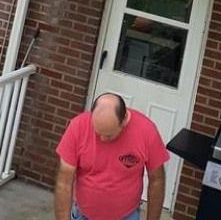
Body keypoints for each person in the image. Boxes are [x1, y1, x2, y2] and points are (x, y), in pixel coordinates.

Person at [54, 92, 169, 220]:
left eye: (108, 135)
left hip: (126, 215)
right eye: (98, 133)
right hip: (83, 214)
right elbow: (64, 181)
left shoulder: (146, 131)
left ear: (124, 119)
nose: (102, 139)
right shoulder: (78, 127)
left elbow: (157, 180)